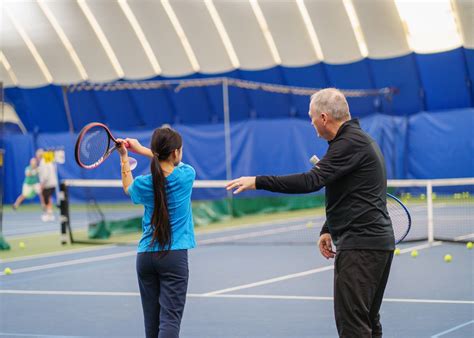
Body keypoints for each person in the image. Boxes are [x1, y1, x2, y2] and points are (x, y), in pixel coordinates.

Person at [226, 88, 395, 338]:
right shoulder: (352, 141)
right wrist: (328, 229)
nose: (311, 122)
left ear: (324, 118)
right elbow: (349, 194)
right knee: (368, 321)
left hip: (361, 246)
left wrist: (258, 181)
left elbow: (310, 181)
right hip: (372, 243)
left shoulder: (349, 143)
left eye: (312, 116)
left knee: (354, 326)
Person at [117, 127, 196, 338]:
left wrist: (124, 157)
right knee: (169, 321)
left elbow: (128, 187)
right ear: (175, 153)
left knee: (152, 324)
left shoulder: (144, 183)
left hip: (145, 258)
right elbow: (169, 163)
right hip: (173, 256)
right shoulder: (186, 176)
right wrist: (142, 149)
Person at [36, 149, 58, 222]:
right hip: (52, 183)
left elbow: (45, 175)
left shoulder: (43, 162)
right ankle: (49, 214)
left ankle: (49, 215)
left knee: (46, 200)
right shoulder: (48, 161)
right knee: (48, 199)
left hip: (48, 184)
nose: (37, 157)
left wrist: (42, 185)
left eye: (37, 155)